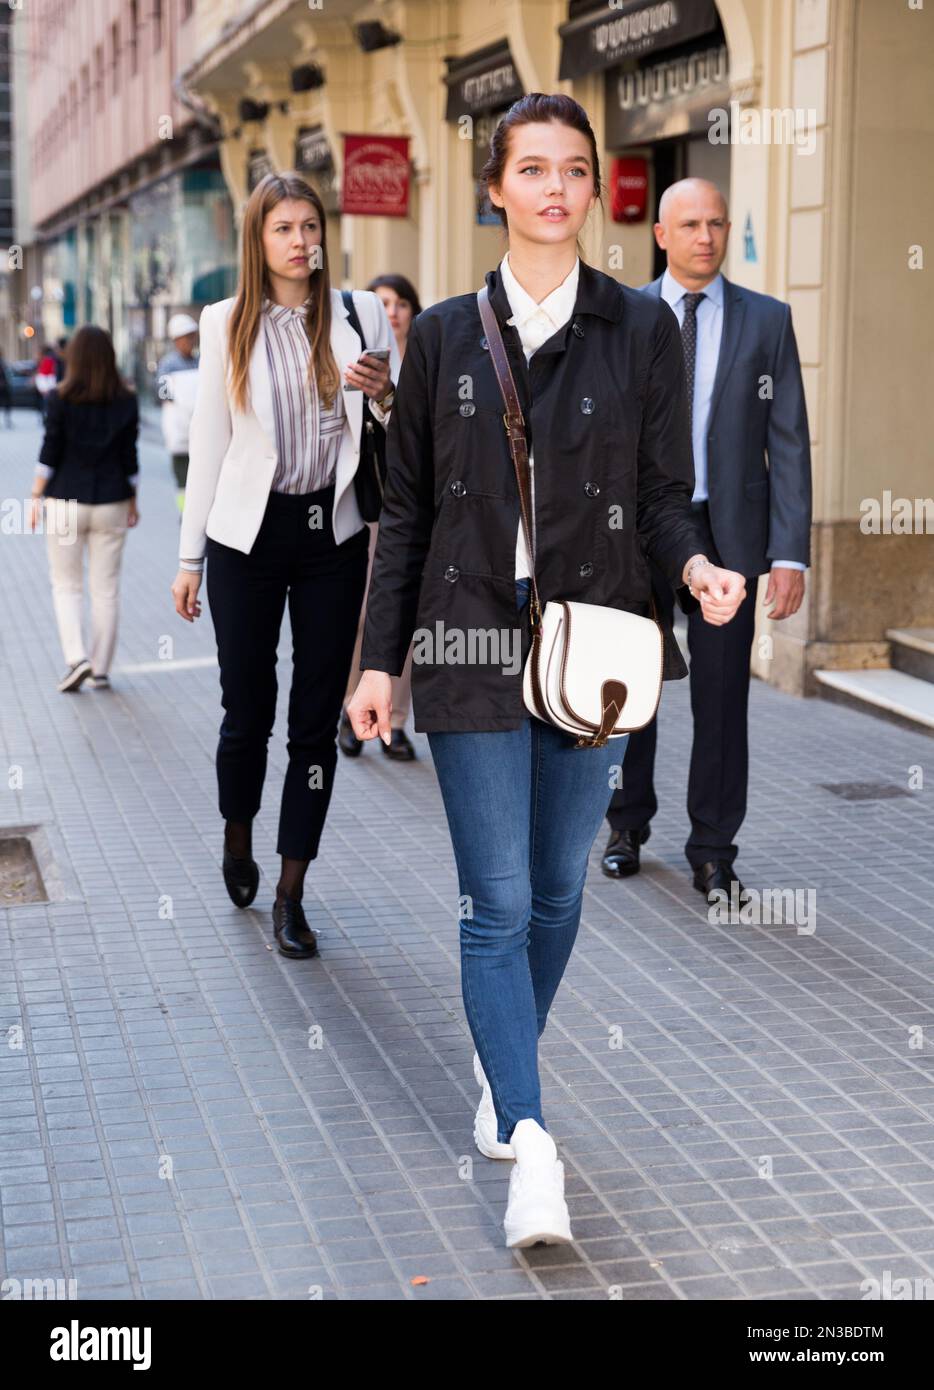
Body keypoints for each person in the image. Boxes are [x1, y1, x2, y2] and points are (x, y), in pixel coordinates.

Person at [347, 95, 746, 1249]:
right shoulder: (438, 342)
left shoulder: (638, 330)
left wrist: (700, 570)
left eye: (574, 169)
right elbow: (406, 512)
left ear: (590, 190)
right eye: (532, 169)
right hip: (469, 636)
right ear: (496, 188)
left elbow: (666, 495)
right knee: (500, 902)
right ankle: (530, 1140)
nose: (556, 187)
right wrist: (380, 662)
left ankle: (499, 1064)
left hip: (597, 642)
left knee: (562, 894)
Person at [171, 171, 400, 959]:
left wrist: (386, 393)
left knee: (314, 723)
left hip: (330, 534)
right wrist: (188, 557)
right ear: (257, 240)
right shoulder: (224, 321)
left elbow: (395, 430)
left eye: (311, 226)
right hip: (246, 538)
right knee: (248, 709)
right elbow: (209, 442)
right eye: (284, 229)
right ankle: (239, 836)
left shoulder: (359, 312)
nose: (302, 242)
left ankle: (291, 891)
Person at [600, 178, 812, 903]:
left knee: (722, 697)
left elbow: (788, 443)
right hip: (640, 531)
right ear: (660, 234)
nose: (706, 236)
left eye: (716, 223)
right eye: (689, 223)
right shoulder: (623, 315)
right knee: (634, 684)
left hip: (730, 539)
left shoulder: (767, 321)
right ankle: (626, 825)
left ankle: (714, 849)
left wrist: (788, 554)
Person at [339, 273, 423, 762]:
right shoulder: (357, 362)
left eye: (401, 303)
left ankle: (395, 719)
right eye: (383, 303)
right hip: (373, 507)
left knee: (410, 618)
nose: (392, 312)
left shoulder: (429, 360)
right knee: (368, 614)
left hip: (419, 508)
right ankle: (352, 707)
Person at [29, 325, 140, 692]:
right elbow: (129, 458)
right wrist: (134, 501)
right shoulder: (126, 399)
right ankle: (102, 669)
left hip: (65, 501)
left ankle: (77, 659)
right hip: (112, 501)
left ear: (72, 358)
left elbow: (50, 451)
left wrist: (34, 497)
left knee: (66, 585)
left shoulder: (60, 399)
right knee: (106, 588)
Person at [156, 314, 201, 513]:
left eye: (191, 337)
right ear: (176, 340)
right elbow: (163, 394)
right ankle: (185, 513)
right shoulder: (168, 364)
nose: (189, 342)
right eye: (185, 338)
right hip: (180, 429)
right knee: (183, 478)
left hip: (201, 428)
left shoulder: (201, 361)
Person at [0, 349, 13, 428]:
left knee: (7, 404)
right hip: (3, 386)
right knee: (6, 404)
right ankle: (7, 421)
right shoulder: (3, 362)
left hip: (4, 386)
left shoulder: (3, 362)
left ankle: (8, 420)